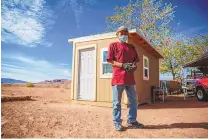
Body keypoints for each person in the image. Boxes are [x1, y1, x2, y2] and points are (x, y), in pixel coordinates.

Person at [106, 26, 144, 131]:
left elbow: (136, 60)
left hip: (130, 79)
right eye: (121, 33)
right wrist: (123, 65)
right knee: (116, 103)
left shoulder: (131, 47)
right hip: (118, 78)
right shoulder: (113, 45)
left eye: (125, 33)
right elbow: (110, 60)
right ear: (117, 34)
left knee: (134, 101)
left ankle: (132, 121)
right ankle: (117, 122)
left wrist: (134, 66)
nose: (124, 35)